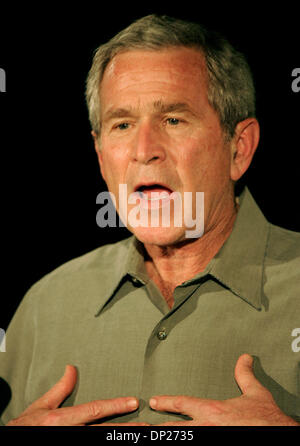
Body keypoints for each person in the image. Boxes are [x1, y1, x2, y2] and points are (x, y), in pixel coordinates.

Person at [0, 14, 299, 426]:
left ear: (239, 149)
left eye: (173, 120)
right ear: (102, 157)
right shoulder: (43, 308)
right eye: (121, 124)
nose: (144, 150)